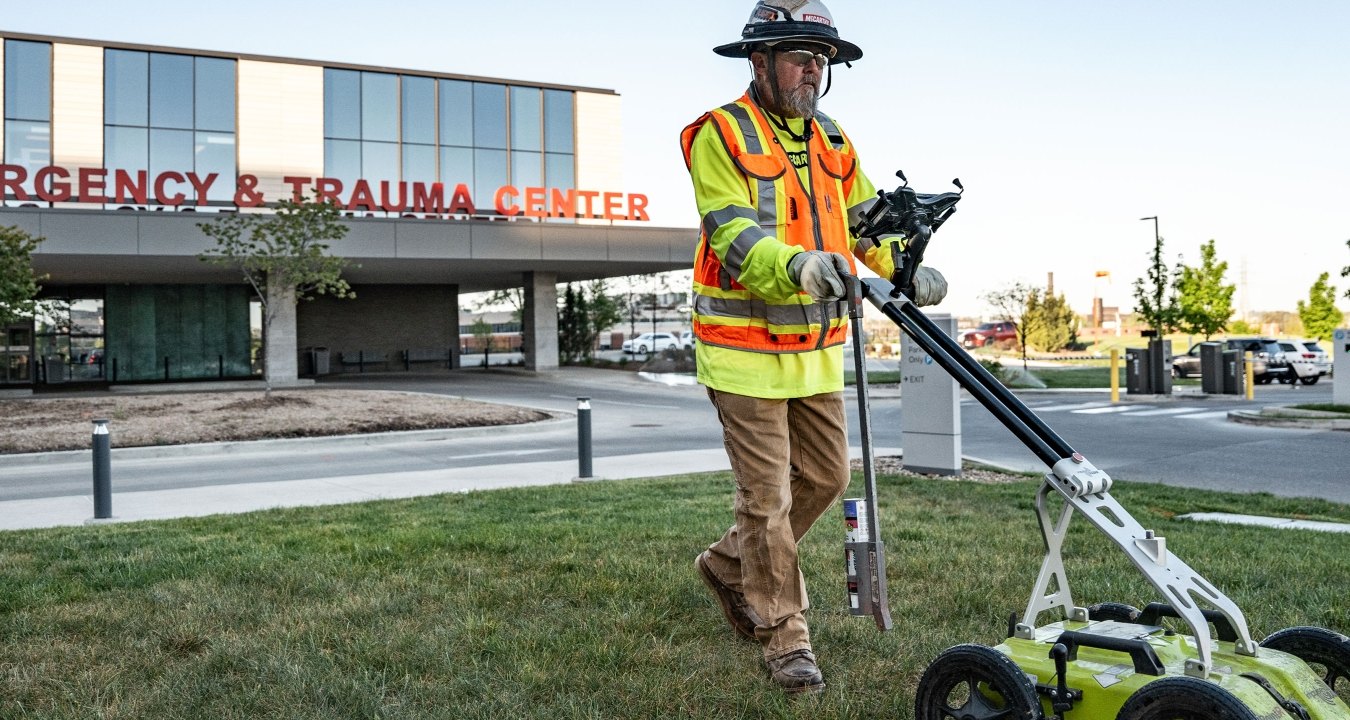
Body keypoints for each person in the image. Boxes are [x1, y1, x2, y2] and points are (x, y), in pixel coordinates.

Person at [680, 0, 948, 695]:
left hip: (815, 347)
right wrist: (796, 265)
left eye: (822, 59)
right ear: (758, 61)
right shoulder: (720, 134)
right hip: (741, 346)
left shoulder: (833, 140)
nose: (814, 70)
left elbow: (865, 225)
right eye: (800, 56)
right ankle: (785, 637)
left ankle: (725, 563)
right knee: (765, 499)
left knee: (827, 479)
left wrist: (905, 266)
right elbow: (733, 233)